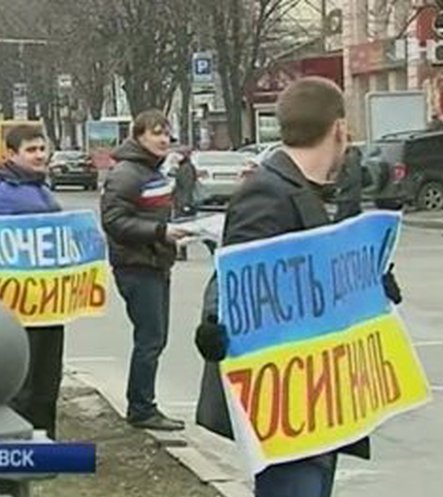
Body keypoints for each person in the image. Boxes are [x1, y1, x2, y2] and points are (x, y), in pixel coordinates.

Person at [193, 77, 403, 497]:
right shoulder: (267, 192)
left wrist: (371, 283)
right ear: (339, 128)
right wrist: (215, 322)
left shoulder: (315, 188)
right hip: (284, 399)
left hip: (317, 395)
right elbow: (237, 274)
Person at [100, 109, 192, 431]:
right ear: (139, 136)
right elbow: (113, 221)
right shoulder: (127, 172)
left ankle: (142, 403)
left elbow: (151, 213)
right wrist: (159, 233)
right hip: (136, 265)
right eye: (156, 133)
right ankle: (141, 408)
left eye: (166, 133)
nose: (164, 139)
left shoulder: (151, 170)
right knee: (150, 338)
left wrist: (175, 231)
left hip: (154, 260)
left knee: (155, 337)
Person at [0, 125, 65, 439]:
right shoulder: (1, 192)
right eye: (31, 150)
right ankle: (19, 443)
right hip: (21, 306)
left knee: (48, 380)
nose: (40, 155)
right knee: (24, 382)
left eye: (42, 148)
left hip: (50, 303)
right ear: (12, 154)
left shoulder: (40, 186)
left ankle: (45, 442)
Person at [334, 139, 363, 222]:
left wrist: (340, 188)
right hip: (354, 195)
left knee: (342, 219)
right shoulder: (354, 155)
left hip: (347, 196)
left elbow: (351, 177)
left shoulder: (349, 156)